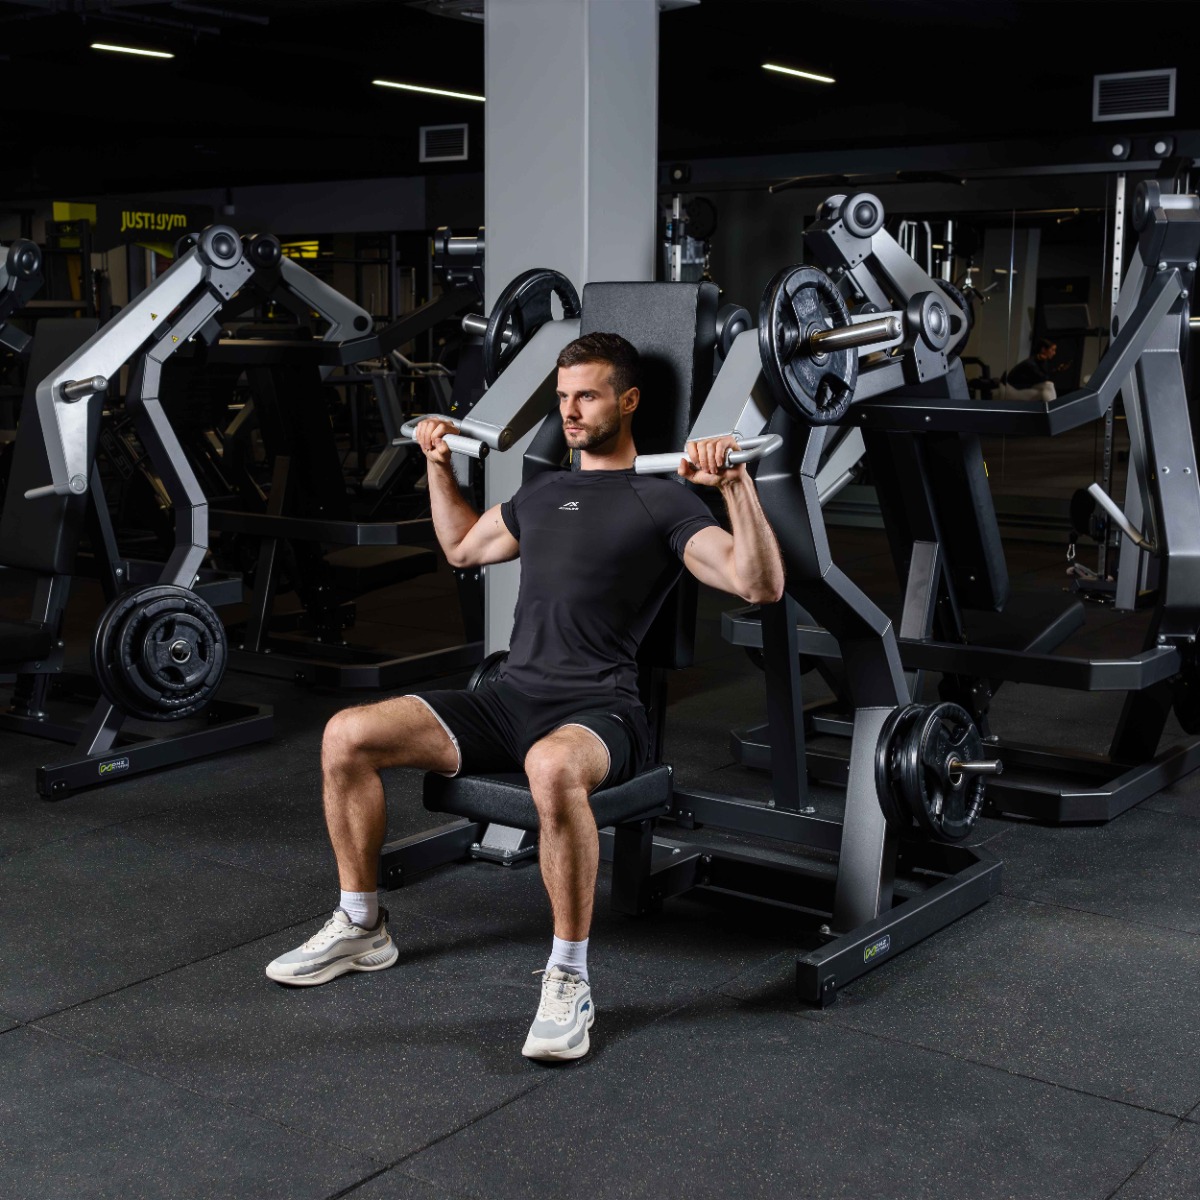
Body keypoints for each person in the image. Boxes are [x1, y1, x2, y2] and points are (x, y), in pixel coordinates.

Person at [265, 331, 785, 1061]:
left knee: (550, 765)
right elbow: (463, 548)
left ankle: (569, 976)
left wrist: (734, 487)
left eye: (587, 396)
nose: (569, 411)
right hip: (510, 697)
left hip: (600, 710)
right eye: (563, 397)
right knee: (347, 733)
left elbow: (758, 585)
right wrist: (438, 466)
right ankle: (362, 925)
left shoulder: (665, 499)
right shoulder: (541, 491)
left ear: (628, 402)